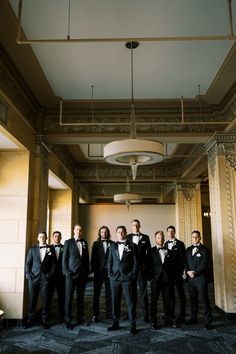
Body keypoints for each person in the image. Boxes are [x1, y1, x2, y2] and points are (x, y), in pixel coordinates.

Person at [107, 225, 138, 335]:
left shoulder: (132, 246)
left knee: (131, 302)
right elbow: (109, 260)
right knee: (115, 301)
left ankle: (132, 325)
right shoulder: (113, 246)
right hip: (114, 278)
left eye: (122, 232)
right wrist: (110, 273)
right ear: (116, 233)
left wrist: (132, 274)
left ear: (125, 233)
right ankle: (115, 323)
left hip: (127, 278)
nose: (120, 233)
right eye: (118, 232)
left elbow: (135, 262)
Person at [25, 231, 56, 329]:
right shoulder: (33, 249)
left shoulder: (51, 249)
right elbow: (28, 263)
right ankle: (30, 320)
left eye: (44, 237)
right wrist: (29, 275)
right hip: (33, 278)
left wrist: (49, 275)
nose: (42, 238)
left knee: (45, 300)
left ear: (46, 238)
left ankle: (44, 321)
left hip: (45, 279)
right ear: (38, 238)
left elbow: (54, 264)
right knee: (32, 299)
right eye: (40, 237)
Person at [62, 224, 90, 329]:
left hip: (82, 275)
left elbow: (86, 258)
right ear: (74, 231)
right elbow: (64, 259)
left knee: (81, 298)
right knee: (68, 298)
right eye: (77, 229)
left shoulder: (84, 242)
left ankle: (80, 319)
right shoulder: (68, 242)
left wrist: (87, 271)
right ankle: (68, 320)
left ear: (82, 232)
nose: (78, 231)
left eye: (80, 230)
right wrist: (66, 272)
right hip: (71, 274)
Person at [185, 230, 213, 329]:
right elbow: (185, 263)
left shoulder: (205, 250)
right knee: (192, 300)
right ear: (191, 238)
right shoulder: (188, 249)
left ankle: (208, 321)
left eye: (196, 237)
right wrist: (188, 271)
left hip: (200, 279)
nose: (195, 238)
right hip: (191, 279)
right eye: (193, 237)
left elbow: (204, 264)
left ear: (200, 238)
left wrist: (195, 273)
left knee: (205, 300)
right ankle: (193, 317)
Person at [127, 219, 151, 322]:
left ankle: (146, 315)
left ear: (139, 226)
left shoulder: (146, 237)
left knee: (143, 292)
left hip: (141, 268)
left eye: (136, 225)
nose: (135, 226)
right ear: (131, 226)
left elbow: (149, 253)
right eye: (133, 225)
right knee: (131, 292)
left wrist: (146, 265)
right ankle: (132, 315)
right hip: (131, 269)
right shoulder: (127, 237)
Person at [148, 230, 173, 329]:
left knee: (167, 300)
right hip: (156, 279)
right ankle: (153, 321)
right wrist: (151, 277)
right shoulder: (151, 251)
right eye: (159, 237)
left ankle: (168, 320)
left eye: (162, 237)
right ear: (155, 239)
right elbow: (147, 265)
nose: (161, 239)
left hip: (167, 279)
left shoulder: (168, 251)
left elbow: (172, 265)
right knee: (154, 301)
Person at [164, 225, 186, 326]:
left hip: (177, 274)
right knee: (170, 294)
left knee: (181, 294)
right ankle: (171, 313)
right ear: (167, 233)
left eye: (172, 231)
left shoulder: (180, 244)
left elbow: (183, 259)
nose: (170, 233)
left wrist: (180, 271)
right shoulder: (164, 244)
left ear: (175, 232)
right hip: (168, 275)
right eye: (169, 231)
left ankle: (182, 314)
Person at [91, 226, 113, 322]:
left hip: (109, 272)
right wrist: (95, 269)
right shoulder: (96, 244)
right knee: (96, 294)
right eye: (102, 232)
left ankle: (110, 313)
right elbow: (93, 258)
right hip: (99, 272)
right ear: (99, 233)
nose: (104, 233)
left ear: (108, 233)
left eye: (105, 232)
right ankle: (96, 314)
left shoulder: (112, 244)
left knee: (109, 293)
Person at [49, 231, 65, 323]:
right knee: (49, 296)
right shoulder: (48, 248)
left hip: (61, 277)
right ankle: (48, 316)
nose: (57, 238)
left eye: (59, 236)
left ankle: (62, 316)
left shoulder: (64, 247)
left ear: (61, 237)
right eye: (55, 236)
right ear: (52, 237)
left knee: (61, 297)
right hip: (51, 277)